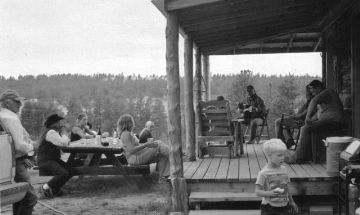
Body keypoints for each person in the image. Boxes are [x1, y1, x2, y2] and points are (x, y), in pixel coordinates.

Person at [0, 89, 37, 215]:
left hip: (9, 162)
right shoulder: (10, 118)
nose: (20, 104)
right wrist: (32, 148)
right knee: (30, 198)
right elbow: (20, 145)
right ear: (7, 103)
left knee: (19, 197)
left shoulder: (2, 116)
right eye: (16, 102)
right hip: (17, 163)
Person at [294, 80, 344, 163]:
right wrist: (310, 120)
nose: (311, 92)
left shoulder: (328, 92)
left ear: (319, 88)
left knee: (306, 129)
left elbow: (313, 101)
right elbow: (318, 114)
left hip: (334, 123)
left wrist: (307, 117)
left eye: (313, 90)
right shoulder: (323, 99)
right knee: (305, 127)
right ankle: (307, 156)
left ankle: (300, 158)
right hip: (326, 123)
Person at [117, 114, 170, 181]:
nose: (133, 123)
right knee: (159, 144)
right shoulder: (125, 134)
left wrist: (148, 145)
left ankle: (163, 178)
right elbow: (131, 150)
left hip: (137, 155)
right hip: (134, 158)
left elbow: (136, 145)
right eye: (131, 121)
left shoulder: (128, 133)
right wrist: (146, 145)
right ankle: (175, 156)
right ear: (128, 123)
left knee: (162, 155)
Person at [255, 139, 298, 215]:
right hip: (269, 208)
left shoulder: (284, 169)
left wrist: (292, 202)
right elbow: (257, 192)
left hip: (285, 206)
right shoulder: (263, 173)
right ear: (269, 156)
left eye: (283, 155)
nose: (282, 157)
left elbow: (286, 187)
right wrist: (269, 193)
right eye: (279, 155)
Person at [37, 114, 72, 198]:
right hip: (46, 160)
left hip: (51, 159)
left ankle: (55, 190)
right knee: (62, 173)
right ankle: (44, 188)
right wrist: (64, 133)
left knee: (70, 170)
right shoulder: (51, 132)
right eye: (59, 122)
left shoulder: (53, 132)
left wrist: (64, 136)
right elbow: (63, 143)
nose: (61, 123)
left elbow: (66, 142)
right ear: (54, 123)